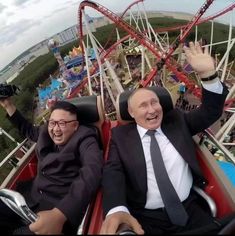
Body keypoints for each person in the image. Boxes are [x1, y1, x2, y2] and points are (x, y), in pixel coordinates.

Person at [100, 42, 231, 235]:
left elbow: (210, 112)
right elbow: (112, 173)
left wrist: (208, 76)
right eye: (143, 106)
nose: (152, 109)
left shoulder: (177, 121)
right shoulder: (120, 137)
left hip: (190, 210)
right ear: (131, 112)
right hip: (147, 218)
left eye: (155, 102)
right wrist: (116, 209)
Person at [0, 99, 103, 234]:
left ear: (75, 126)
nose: (56, 129)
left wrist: (61, 213)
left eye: (62, 123)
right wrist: (8, 105)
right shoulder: (46, 131)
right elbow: (28, 130)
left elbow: (92, 170)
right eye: (53, 123)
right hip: (32, 196)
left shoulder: (85, 138)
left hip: (57, 206)